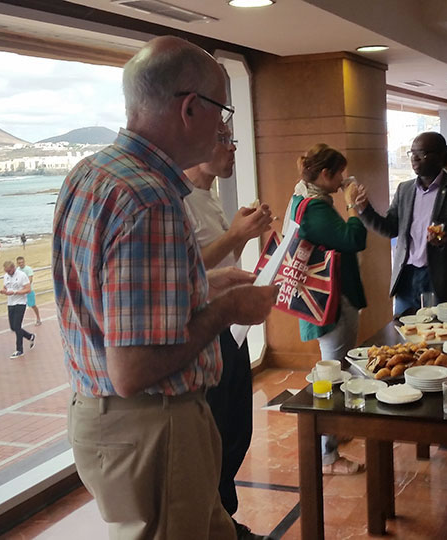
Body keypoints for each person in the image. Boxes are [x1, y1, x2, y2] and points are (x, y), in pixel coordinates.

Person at [52, 36, 276, 540]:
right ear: (190, 108)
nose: (223, 128)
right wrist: (228, 309)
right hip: (152, 426)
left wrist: (205, 283)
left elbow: (106, 299)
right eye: (223, 112)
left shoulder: (91, 173)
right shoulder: (150, 199)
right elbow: (134, 369)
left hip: (102, 418)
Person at [183, 126, 274, 540]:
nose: (232, 147)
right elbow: (185, 273)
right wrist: (235, 235)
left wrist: (245, 237)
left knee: (237, 429)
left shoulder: (209, 198)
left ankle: (224, 520)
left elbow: (222, 264)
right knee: (219, 432)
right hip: (206, 331)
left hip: (228, 327)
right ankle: (218, 523)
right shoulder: (179, 201)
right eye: (222, 138)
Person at [287, 143, 367, 474]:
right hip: (330, 301)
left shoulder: (303, 197)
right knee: (333, 373)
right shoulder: (316, 209)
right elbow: (353, 239)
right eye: (339, 174)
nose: (343, 180)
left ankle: (335, 430)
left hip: (328, 297)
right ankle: (326, 454)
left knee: (338, 366)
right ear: (324, 174)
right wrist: (352, 206)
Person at [356, 132, 447, 315]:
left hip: (440, 278)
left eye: (421, 153)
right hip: (406, 277)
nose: (414, 158)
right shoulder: (404, 190)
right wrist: (365, 210)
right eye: (412, 153)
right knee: (404, 328)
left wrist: (446, 239)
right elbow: (390, 228)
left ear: (439, 156)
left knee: (439, 330)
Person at [0, 260, 35, 358]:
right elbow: (5, 287)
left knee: (17, 326)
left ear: (13, 268)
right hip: (10, 303)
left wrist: (15, 292)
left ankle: (19, 349)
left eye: (9, 271)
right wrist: (4, 291)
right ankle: (30, 336)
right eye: (6, 271)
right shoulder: (6, 276)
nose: (8, 273)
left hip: (20, 302)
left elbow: (28, 289)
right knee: (13, 327)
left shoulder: (22, 275)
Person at [16, 256, 42, 326]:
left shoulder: (28, 269)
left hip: (29, 291)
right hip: (21, 292)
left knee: (32, 305)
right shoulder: (17, 270)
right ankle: (18, 323)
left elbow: (30, 280)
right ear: (17, 263)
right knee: (19, 307)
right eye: (19, 263)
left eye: (22, 262)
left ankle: (38, 318)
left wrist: (25, 287)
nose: (21, 264)